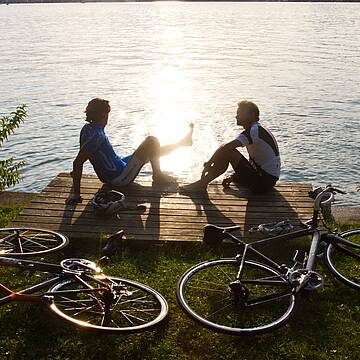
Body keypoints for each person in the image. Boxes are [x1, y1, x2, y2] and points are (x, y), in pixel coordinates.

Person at [67, 98, 194, 204]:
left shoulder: (87, 129)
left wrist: (75, 174)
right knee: (152, 140)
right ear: (103, 115)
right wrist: (76, 195)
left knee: (152, 150)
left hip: (116, 169)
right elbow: (77, 162)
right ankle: (158, 175)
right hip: (119, 177)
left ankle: (183, 143)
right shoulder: (98, 136)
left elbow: (82, 155)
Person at [181, 100, 280, 193]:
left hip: (263, 183)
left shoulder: (253, 131)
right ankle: (202, 183)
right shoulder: (258, 129)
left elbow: (225, 148)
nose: (236, 116)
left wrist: (209, 164)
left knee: (228, 152)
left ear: (251, 115)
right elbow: (256, 161)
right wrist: (234, 177)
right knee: (227, 151)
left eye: (239, 113)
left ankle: (202, 184)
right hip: (267, 181)